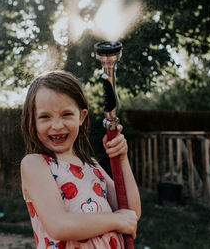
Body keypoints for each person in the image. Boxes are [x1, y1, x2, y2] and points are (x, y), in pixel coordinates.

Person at [20, 70, 141, 249]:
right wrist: (117, 220)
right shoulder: (35, 164)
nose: (57, 125)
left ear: (82, 117)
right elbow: (59, 226)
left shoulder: (92, 166)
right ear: (33, 121)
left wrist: (122, 159)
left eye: (66, 114)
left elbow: (130, 212)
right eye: (45, 117)